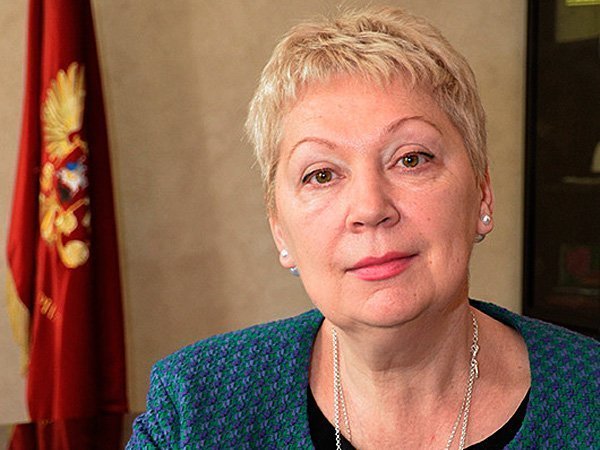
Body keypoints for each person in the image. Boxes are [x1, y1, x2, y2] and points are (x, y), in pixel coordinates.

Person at [127, 7, 598, 449]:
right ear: (280, 232)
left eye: (411, 159)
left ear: (482, 193)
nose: (371, 208)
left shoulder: (590, 396)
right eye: (321, 174)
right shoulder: (195, 406)